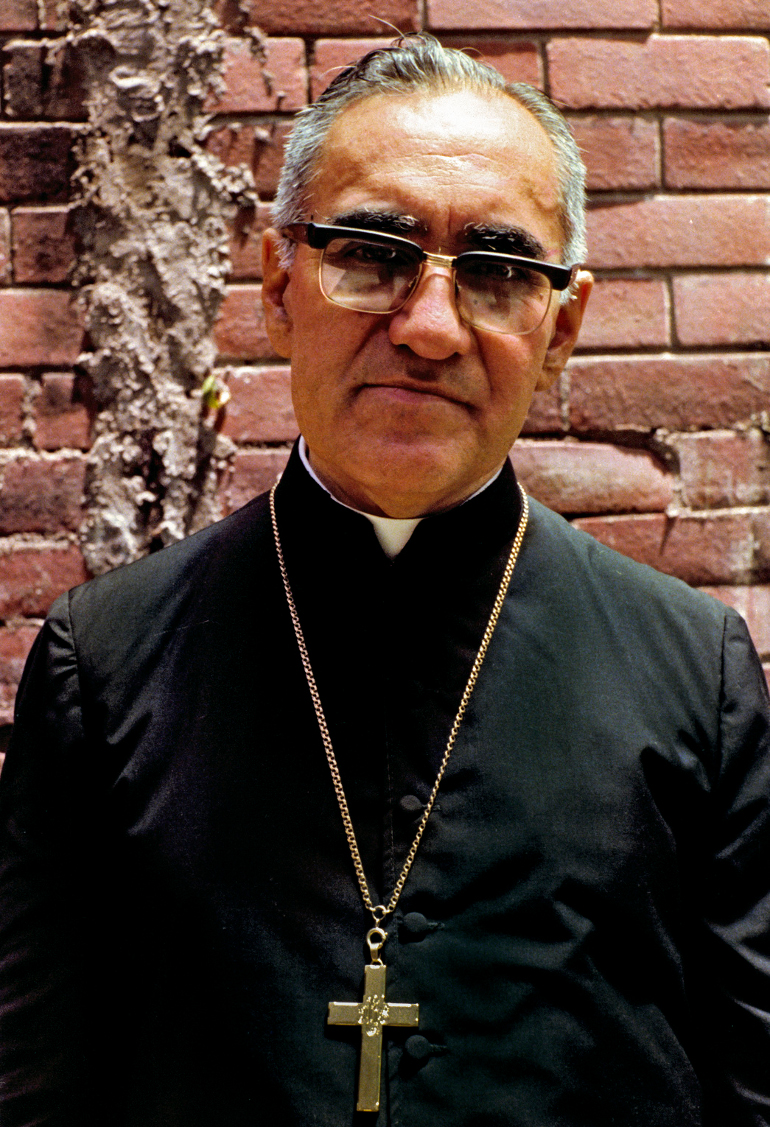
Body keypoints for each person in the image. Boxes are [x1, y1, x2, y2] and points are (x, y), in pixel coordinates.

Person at [1, 33, 769, 1127]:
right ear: (277, 282)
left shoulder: (692, 671)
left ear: (563, 326)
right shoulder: (106, 661)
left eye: (499, 272)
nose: (426, 326)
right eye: (370, 253)